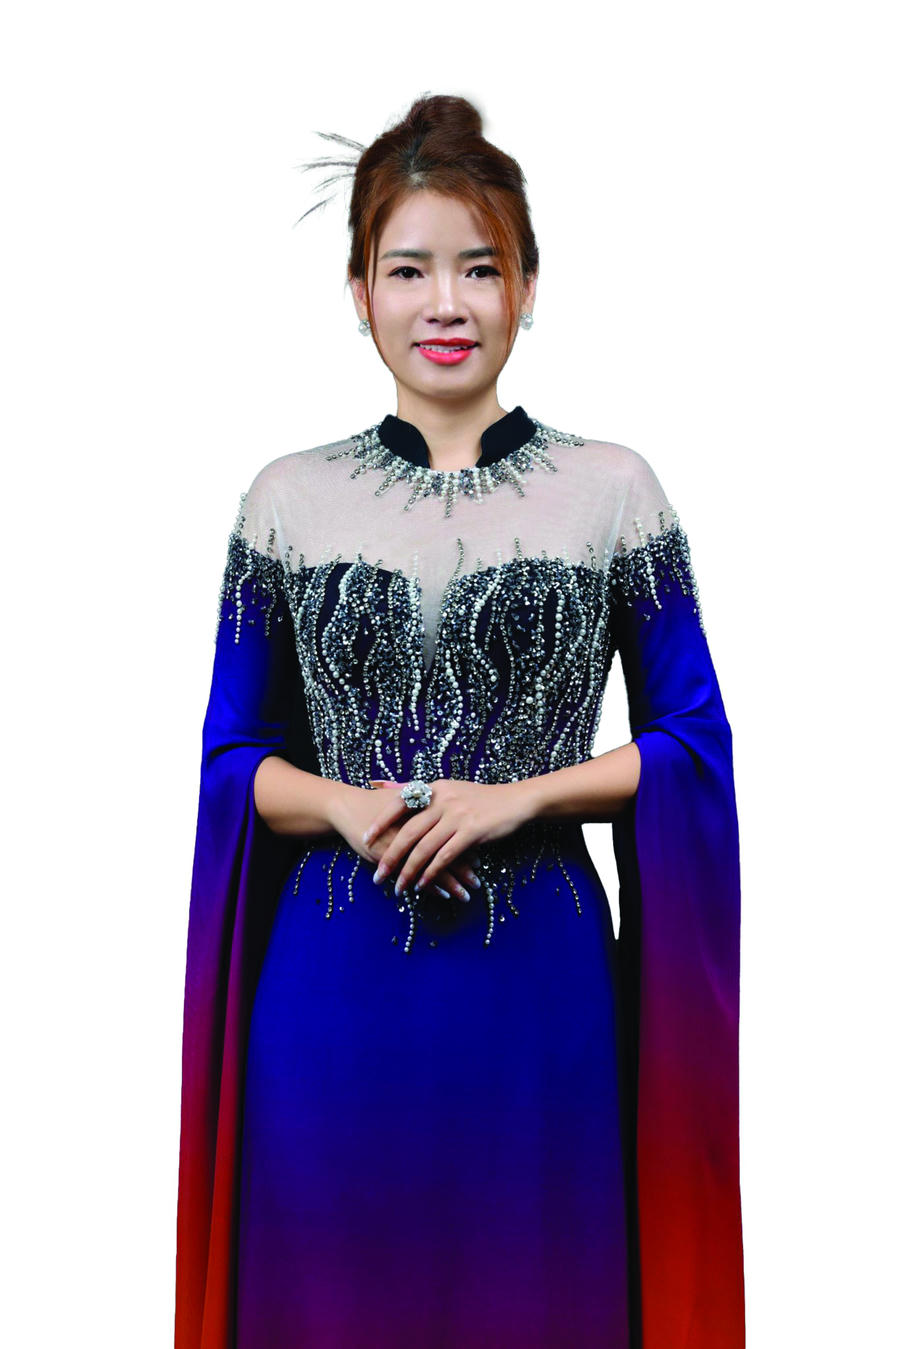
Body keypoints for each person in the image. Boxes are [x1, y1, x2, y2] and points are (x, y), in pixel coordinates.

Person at [174, 93, 745, 1349]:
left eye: (481, 268)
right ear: (359, 292)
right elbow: (231, 762)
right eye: (409, 268)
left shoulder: (615, 491)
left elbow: (691, 745)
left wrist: (521, 796)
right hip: (329, 1012)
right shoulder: (286, 500)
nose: (447, 302)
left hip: (540, 1008)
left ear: (528, 286)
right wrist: (341, 803)